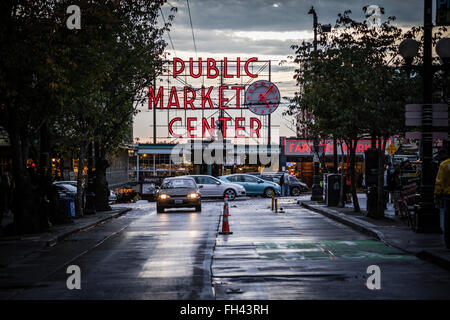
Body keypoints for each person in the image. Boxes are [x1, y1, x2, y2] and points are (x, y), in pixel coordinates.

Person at [434, 148, 450, 249]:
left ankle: (448, 243)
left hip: (448, 196)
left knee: (448, 220)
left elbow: (439, 181)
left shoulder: (445, 165)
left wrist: (437, 194)